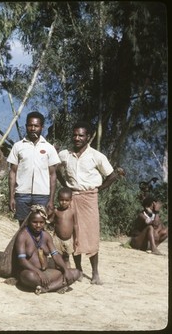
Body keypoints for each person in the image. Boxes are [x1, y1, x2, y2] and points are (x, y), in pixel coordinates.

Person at [56, 121, 118, 285]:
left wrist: (99, 189)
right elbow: (55, 167)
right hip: (71, 198)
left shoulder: (96, 156)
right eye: (75, 135)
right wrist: (64, 185)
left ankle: (95, 273)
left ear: (88, 137)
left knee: (90, 235)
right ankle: (79, 270)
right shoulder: (65, 154)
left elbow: (111, 175)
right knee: (73, 235)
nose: (77, 138)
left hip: (89, 198)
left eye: (81, 135)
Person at [7, 111, 60, 227]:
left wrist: (51, 200)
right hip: (22, 194)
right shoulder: (18, 146)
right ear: (26, 126)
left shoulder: (49, 148)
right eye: (30, 125)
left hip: (42, 195)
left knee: (39, 227)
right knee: (23, 227)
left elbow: (52, 175)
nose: (33, 128)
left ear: (42, 127)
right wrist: (11, 197)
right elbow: (12, 173)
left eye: (36, 126)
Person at [14, 205, 81, 294]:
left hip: (46, 272)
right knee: (28, 277)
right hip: (31, 272)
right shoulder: (23, 236)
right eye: (35, 222)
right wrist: (38, 272)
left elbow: (55, 255)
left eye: (41, 222)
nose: (38, 225)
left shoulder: (46, 236)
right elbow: (22, 260)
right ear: (29, 222)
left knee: (76, 273)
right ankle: (58, 285)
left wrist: (65, 269)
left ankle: (46, 288)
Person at [47, 187, 77, 267]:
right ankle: (59, 272)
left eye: (66, 200)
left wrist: (76, 238)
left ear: (71, 200)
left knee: (67, 258)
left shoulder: (72, 212)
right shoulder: (56, 211)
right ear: (58, 199)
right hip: (57, 239)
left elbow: (75, 225)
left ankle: (67, 272)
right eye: (61, 200)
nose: (64, 202)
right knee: (58, 257)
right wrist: (48, 216)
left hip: (69, 239)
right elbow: (50, 221)